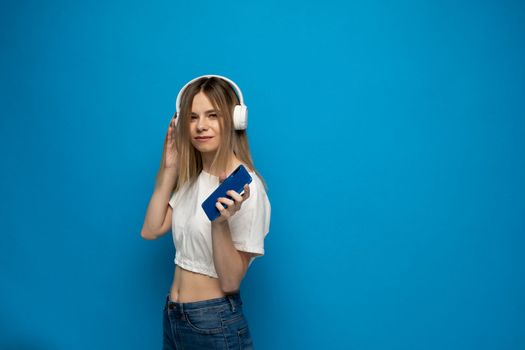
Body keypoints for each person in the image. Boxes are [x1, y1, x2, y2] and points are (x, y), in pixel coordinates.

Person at [140, 74, 271, 349]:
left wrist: (220, 223)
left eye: (213, 115)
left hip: (213, 322)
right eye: (192, 117)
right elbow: (151, 229)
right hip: (174, 317)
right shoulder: (193, 180)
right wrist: (169, 170)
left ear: (236, 120)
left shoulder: (248, 186)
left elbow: (231, 281)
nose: (201, 126)